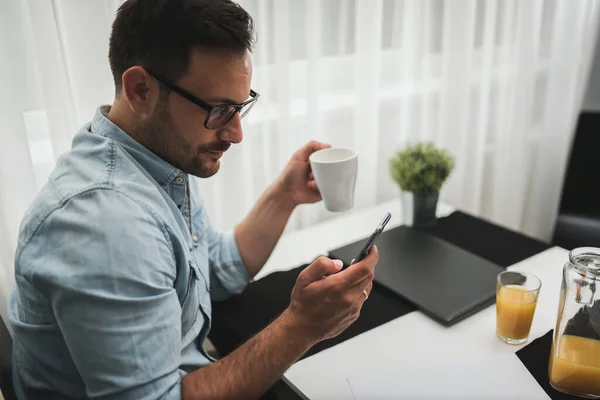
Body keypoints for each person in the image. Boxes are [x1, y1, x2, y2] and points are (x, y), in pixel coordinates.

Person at [8, 0, 378, 399]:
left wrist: (285, 195)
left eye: (240, 106)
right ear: (141, 90)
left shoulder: (156, 156)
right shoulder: (105, 225)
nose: (236, 133)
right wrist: (301, 326)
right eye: (219, 110)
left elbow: (213, 273)